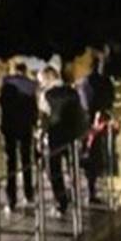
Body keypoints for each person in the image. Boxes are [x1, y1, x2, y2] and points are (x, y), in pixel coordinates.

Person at [39, 65, 85, 215]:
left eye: (42, 80)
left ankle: (61, 201)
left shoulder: (46, 94)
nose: (41, 83)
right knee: (73, 166)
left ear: (48, 77)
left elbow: (44, 118)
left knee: (55, 169)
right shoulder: (72, 91)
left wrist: (41, 135)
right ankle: (76, 194)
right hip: (71, 134)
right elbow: (80, 113)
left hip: (55, 135)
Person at [77, 49, 117, 204]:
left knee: (91, 155)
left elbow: (83, 104)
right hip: (101, 122)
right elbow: (110, 100)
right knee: (101, 154)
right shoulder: (104, 81)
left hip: (88, 123)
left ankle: (92, 188)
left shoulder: (83, 84)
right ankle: (100, 184)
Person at [0, 62, 38, 211]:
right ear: (25, 71)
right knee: (26, 159)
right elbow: (34, 109)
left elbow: (1, 104)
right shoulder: (30, 86)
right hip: (25, 127)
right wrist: (34, 123)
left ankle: (11, 197)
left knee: (11, 162)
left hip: (9, 127)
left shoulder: (6, 83)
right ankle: (28, 193)